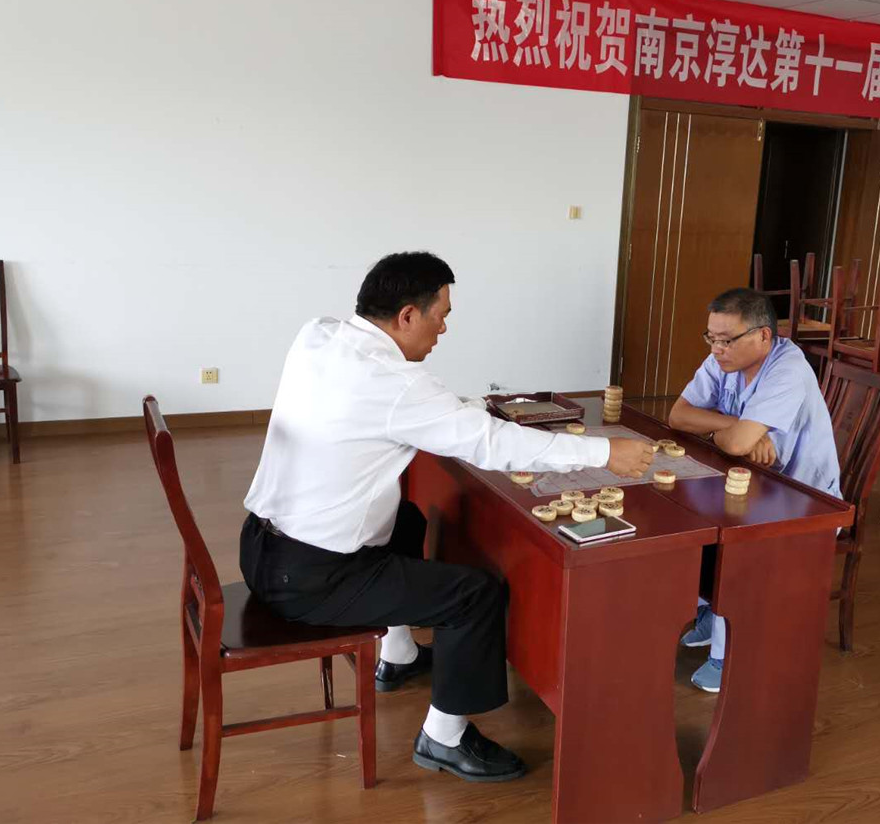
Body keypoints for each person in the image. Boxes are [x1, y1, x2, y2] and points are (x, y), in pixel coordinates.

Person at [241, 251, 655, 783]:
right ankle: (444, 737)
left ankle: (397, 653)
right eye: (441, 315)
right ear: (407, 315)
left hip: (260, 546)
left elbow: (409, 409)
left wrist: (461, 408)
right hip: (309, 578)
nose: (444, 328)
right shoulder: (398, 387)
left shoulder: (319, 335)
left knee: (407, 519)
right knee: (475, 595)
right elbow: (490, 445)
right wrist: (605, 453)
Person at [667, 287, 841, 693]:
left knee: (734, 537)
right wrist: (735, 426)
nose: (716, 349)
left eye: (726, 340)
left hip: (804, 498)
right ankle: (710, 609)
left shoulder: (787, 369)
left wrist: (729, 432)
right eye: (711, 338)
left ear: (763, 336)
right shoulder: (723, 360)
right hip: (750, 479)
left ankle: (729, 655)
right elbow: (678, 415)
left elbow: (735, 444)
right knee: (686, 507)